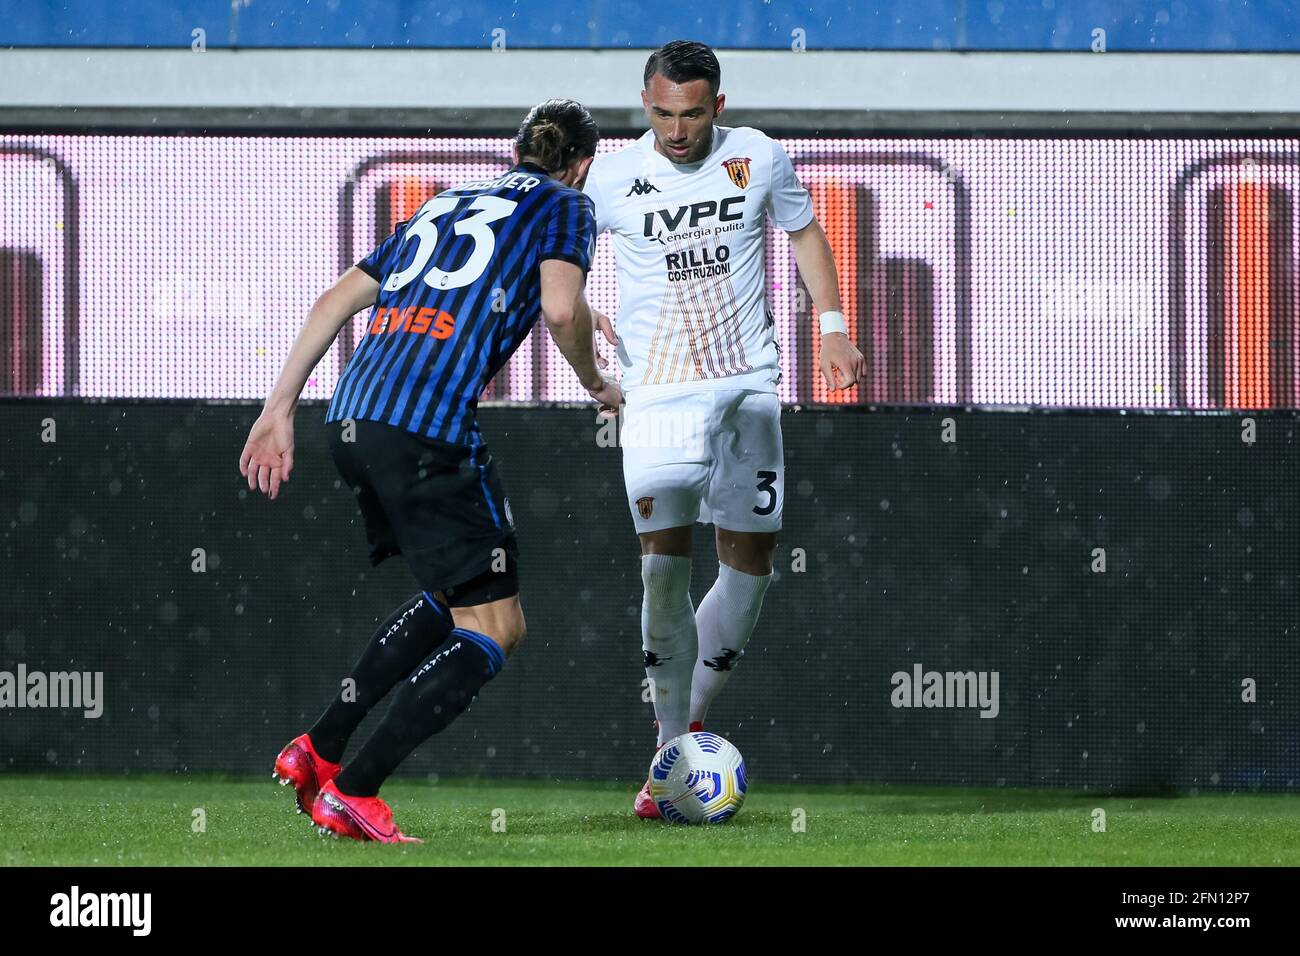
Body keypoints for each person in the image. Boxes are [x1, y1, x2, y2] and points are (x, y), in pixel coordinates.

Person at [238, 99, 619, 842]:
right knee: (498, 626)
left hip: (355, 419)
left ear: (517, 151)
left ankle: (318, 747)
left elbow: (334, 301)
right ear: (583, 164)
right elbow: (561, 311)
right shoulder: (570, 205)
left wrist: (278, 407)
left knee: (453, 599)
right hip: (427, 429)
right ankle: (355, 789)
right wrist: (596, 382)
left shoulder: (446, 203)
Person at [580, 41, 866, 818]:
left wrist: (832, 326)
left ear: (720, 107)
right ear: (646, 104)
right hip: (659, 396)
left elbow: (805, 233)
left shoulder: (759, 159)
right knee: (660, 571)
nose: (678, 130)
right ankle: (672, 750)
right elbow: (559, 270)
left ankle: (681, 731)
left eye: (693, 113)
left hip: (747, 389)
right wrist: (574, 324)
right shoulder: (606, 178)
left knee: (750, 570)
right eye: (663, 114)